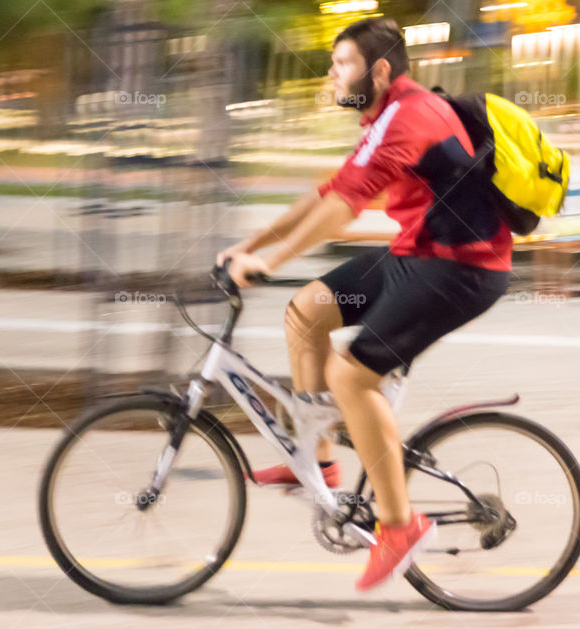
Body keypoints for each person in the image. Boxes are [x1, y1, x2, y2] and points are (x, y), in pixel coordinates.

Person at [217, 17, 512, 591]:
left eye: (343, 62)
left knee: (352, 378)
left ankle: (401, 527)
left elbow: (345, 209)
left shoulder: (413, 115)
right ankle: (319, 461)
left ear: (379, 70)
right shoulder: (385, 115)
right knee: (308, 310)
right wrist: (249, 246)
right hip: (416, 254)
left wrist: (269, 264)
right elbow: (328, 192)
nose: (331, 71)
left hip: (463, 269)